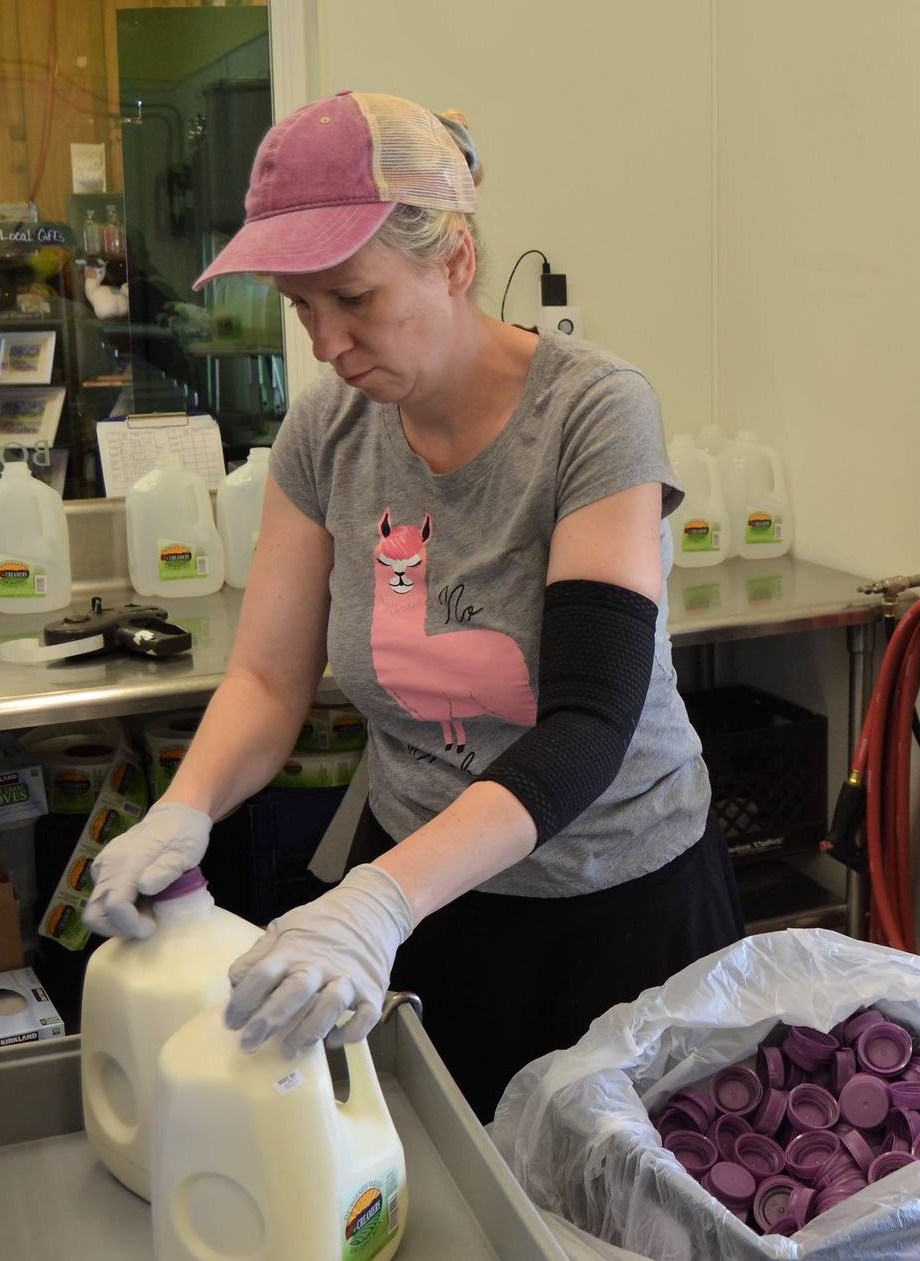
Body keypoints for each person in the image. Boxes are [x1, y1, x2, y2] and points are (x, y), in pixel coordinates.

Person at [82, 91, 744, 1117]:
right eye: (302, 308)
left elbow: (586, 724)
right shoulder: (327, 433)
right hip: (433, 913)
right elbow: (266, 677)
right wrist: (184, 808)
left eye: (352, 297)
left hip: (622, 905)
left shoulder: (594, 413)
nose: (326, 342)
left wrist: (376, 898)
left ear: (455, 262)